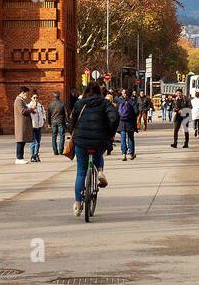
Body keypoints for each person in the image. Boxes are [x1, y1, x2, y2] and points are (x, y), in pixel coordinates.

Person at [68, 81, 119, 217]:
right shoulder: (105, 103)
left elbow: (71, 120)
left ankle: (78, 204)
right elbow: (114, 118)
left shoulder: (79, 104)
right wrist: (110, 132)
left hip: (81, 140)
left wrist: (71, 131)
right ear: (99, 92)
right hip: (99, 139)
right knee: (98, 155)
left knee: (81, 172)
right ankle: (100, 172)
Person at [117, 89, 139, 161]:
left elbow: (117, 111)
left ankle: (123, 153)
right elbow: (136, 112)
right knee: (130, 137)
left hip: (122, 122)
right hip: (130, 122)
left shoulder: (120, 102)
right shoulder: (133, 102)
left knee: (123, 138)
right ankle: (131, 153)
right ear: (131, 94)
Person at [12, 85, 32, 164]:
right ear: (22, 93)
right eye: (26, 94)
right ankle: (19, 158)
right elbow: (22, 111)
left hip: (23, 123)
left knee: (22, 141)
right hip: (21, 124)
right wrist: (31, 109)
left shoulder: (21, 100)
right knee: (20, 141)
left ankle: (21, 157)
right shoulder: (18, 100)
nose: (27, 96)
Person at [48, 91, 68, 155]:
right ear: (59, 96)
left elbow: (48, 114)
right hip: (61, 121)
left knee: (54, 136)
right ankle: (61, 150)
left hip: (53, 121)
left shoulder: (50, 104)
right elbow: (66, 114)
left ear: (54, 96)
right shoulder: (62, 103)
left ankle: (55, 151)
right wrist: (67, 121)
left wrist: (49, 123)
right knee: (62, 136)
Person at [28, 90, 45, 162]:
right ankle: (33, 155)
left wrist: (44, 119)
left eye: (36, 97)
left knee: (38, 141)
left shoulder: (40, 105)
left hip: (39, 125)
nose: (35, 99)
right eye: (34, 97)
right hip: (32, 125)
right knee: (33, 141)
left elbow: (44, 113)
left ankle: (36, 154)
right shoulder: (29, 106)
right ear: (31, 98)